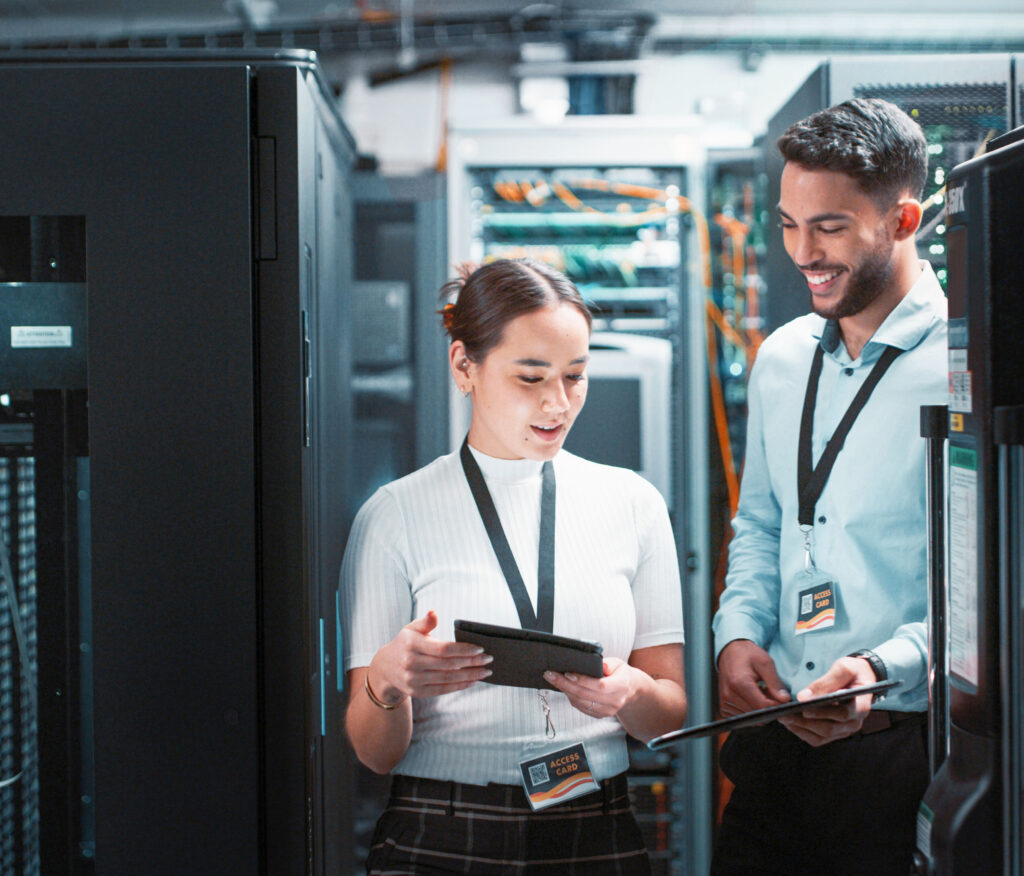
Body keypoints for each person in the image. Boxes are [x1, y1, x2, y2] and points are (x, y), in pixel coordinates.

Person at [340, 258, 687, 875]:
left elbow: (669, 710)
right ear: (463, 367)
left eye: (575, 376)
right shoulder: (394, 515)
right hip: (442, 831)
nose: (558, 403)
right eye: (530, 378)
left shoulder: (633, 504)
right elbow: (374, 753)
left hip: (594, 823)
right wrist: (387, 682)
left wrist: (631, 694)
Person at [711, 98, 947, 876]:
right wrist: (737, 634)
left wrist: (884, 669)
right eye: (788, 223)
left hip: (898, 751)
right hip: (777, 741)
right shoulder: (782, 358)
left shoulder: (963, 365)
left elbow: (988, 596)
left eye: (829, 228)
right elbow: (763, 524)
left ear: (903, 219)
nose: (801, 252)